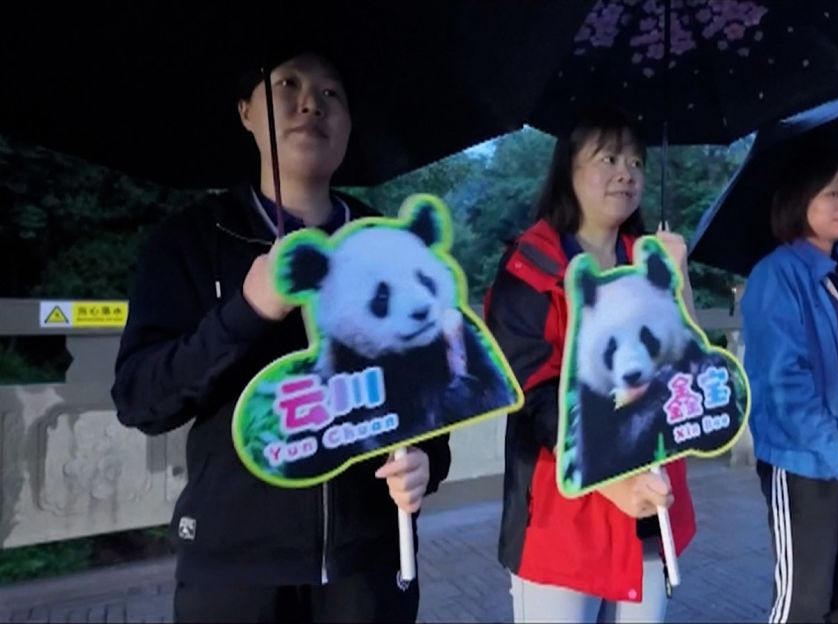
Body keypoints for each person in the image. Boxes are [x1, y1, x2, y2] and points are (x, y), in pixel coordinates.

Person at [111, 45, 450, 623]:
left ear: (348, 122)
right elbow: (141, 398)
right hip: (233, 575)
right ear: (247, 110)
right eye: (287, 84)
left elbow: (431, 396)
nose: (309, 105)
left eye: (331, 93)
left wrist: (428, 462)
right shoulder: (193, 239)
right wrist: (246, 309)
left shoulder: (386, 244)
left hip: (369, 570)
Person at [484, 104, 696, 623]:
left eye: (637, 162)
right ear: (569, 171)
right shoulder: (528, 270)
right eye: (608, 158)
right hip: (564, 518)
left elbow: (689, 366)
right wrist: (612, 480)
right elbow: (533, 397)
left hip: (649, 506)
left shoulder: (651, 261)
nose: (627, 172)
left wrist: (681, 277)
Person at [741, 146, 838, 623]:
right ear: (799, 200)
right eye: (831, 193)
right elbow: (786, 385)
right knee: (804, 601)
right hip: (807, 463)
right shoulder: (776, 275)